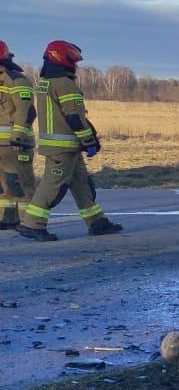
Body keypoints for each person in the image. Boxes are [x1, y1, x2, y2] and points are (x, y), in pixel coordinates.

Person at [18, 41, 121, 241]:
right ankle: (32, 224)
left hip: (62, 146)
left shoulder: (46, 83)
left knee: (82, 184)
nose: (76, 66)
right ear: (63, 59)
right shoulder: (65, 84)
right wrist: (89, 141)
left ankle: (96, 222)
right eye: (73, 61)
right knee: (52, 185)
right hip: (62, 148)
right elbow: (74, 117)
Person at [0, 40, 35, 229]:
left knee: (22, 184)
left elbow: (26, 113)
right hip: (2, 147)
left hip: (17, 144)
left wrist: (17, 138)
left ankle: (31, 222)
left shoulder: (18, 81)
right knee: (4, 186)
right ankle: (8, 218)